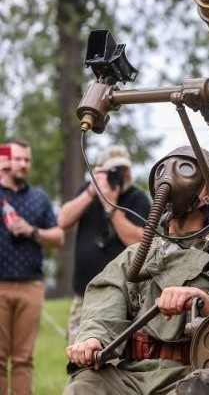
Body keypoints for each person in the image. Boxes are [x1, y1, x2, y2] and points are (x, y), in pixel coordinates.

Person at [64, 146, 209, 395]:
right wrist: (94, 339)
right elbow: (105, 301)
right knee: (85, 386)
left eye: (186, 170)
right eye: (162, 171)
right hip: (133, 374)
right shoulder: (136, 257)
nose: (170, 178)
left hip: (197, 376)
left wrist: (203, 302)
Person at [58, 144, 152, 345]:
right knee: (77, 351)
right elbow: (63, 220)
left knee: (114, 354)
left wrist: (111, 206)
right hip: (84, 294)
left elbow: (138, 241)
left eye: (124, 169)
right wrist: (92, 192)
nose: (120, 175)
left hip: (121, 295)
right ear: (98, 171)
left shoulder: (137, 198)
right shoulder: (88, 193)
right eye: (113, 170)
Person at [0, 138, 65, 395]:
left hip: (31, 287)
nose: (23, 164)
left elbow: (58, 237)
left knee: (24, 358)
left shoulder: (39, 199)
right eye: (18, 159)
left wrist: (31, 231)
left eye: (27, 160)